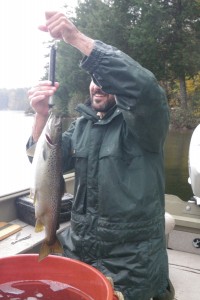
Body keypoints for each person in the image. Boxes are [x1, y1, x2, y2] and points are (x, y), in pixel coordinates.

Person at [27, 11, 174, 300]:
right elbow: (42, 164)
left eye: (106, 79)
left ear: (120, 86)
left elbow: (144, 90)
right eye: (94, 79)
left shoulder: (145, 124)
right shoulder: (82, 126)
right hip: (80, 253)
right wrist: (40, 117)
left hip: (131, 268)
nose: (98, 85)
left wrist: (76, 39)